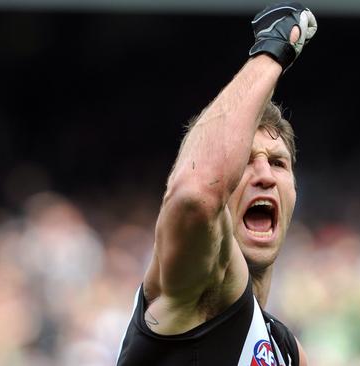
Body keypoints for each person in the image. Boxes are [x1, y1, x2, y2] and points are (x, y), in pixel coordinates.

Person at [116, 3, 317, 366]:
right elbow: (196, 192)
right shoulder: (194, 286)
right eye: (244, 164)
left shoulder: (283, 348)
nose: (265, 176)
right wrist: (272, 50)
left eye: (277, 163)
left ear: (295, 191)